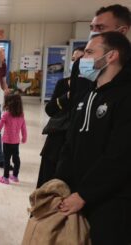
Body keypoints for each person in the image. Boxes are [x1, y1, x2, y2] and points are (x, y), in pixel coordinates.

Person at [56, 32, 131, 244]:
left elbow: (120, 155)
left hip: (111, 201)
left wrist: (85, 194)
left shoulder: (125, 96)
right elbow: (69, 145)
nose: (82, 59)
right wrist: (59, 183)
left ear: (111, 56)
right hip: (75, 194)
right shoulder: (87, 94)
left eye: (89, 52)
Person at [36, 47, 85, 188]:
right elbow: (50, 109)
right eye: (73, 59)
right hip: (57, 138)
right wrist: (67, 96)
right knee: (48, 180)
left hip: (76, 142)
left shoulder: (93, 87)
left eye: (81, 58)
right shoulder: (63, 84)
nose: (76, 62)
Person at [69, 4, 131, 110]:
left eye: (100, 27)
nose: (93, 32)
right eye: (92, 27)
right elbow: (74, 99)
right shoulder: (81, 62)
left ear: (122, 31)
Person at [0, 93, 27, 184]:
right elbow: (23, 128)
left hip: (7, 141)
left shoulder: (6, 114)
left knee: (6, 160)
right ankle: (15, 176)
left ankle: (5, 178)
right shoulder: (21, 115)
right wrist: (24, 137)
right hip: (16, 142)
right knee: (16, 159)